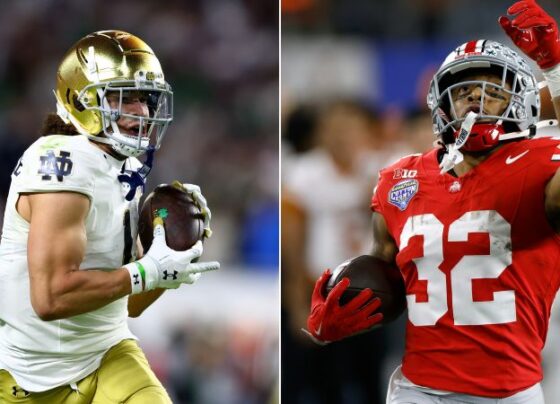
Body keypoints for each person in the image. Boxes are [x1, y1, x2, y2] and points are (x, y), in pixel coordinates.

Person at [305, 1, 560, 403]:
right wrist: (341, 309)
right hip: (416, 389)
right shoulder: (399, 178)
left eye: (492, 92)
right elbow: (386, 275)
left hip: (508, 391)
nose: (475, 101)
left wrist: (556, 71)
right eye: (463, 93)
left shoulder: (541, 160)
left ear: (521, 100)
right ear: (443, 104)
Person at [0, 30, 219, 403]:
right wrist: (145, 272)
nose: (142, 111)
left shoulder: (124, 165)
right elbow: (50, 298)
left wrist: (168, 264)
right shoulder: (59, 160)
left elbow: (127, 302)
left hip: (106, 353)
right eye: (124, 97)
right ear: (82, 98)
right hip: (28, 375)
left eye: (146, 99)